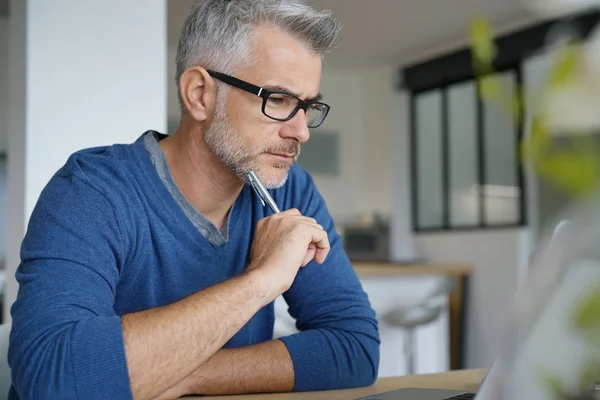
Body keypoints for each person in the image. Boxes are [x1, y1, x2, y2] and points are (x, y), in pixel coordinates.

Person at [7, 0, 380, 399]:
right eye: (279, 100)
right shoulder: (90, 191)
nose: (302, 132)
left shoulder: (289, 190)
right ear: (199, 94)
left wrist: (186, 375)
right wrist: (260, 281)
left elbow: (354, 347)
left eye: (307, 106)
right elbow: (50, 378)